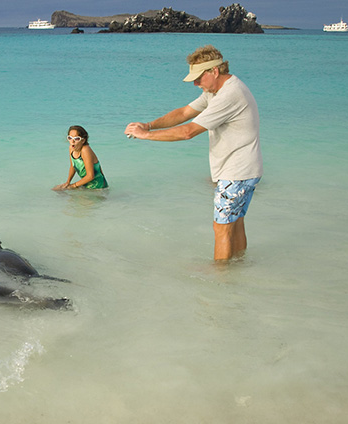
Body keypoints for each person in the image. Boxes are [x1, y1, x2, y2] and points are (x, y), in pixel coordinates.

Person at [124, 45, 262, 262]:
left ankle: (220, 278)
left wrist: (145, 136)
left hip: (236, 172)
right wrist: (149, 125)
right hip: (244, 170)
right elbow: (184, 113)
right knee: (235, 223)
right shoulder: (215, 91)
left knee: (222, 228)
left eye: (199, 78)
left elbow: (188, 132)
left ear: (214, 71)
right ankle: (238, 269)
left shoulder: (229, 95)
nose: (196, 84)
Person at [53, 125, 109, 191]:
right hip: (86, 184)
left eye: (76, 139)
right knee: (56, 189)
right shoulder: (71, 148)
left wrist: (73, 185)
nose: (72, 141)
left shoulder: (85, 150)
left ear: (83, 140)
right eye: (70, 138)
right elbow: (72, 166)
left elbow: (90, 176)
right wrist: (68, 182)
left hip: (98, 187)